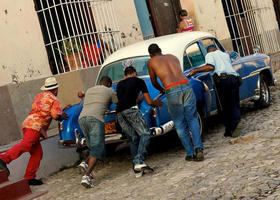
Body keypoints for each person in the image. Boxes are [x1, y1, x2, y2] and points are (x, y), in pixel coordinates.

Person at [0, 77, 68, 185]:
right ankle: (3, 159)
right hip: (35, 127)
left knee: (37, 153)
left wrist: (61, 111)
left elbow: (44, 111)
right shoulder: (54, 99)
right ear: (55, 90)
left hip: (28, 123)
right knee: (26, 145)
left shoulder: (39, 96)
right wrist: (62, 115)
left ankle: (29, 177)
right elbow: (55, 115)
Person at [147, 43, 204, 162]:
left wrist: (162, 90)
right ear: (160, 50)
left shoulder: (151, 61)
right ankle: (199, 148)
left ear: (150, 54)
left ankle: (190, 153)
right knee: (192, 118)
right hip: (186, 85)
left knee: (179, 122)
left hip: (171, 89)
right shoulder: (172, 57)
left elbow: (153, 81)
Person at [116, 66, 163, 177]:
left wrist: (137, 100)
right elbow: (149, 101)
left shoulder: (119, 84)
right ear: (135, 73)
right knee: (145, 133)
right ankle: (139, 161)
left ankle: (137, 170)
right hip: (131, 110)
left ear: (125, 75)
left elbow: (124, 100)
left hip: (119, 114)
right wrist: (155, 103)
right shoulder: (139, 81)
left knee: (134, 138)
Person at [189, 44, 242, 137]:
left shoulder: (209, 55)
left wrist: (195, 71)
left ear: (208, 51)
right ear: (216, 49)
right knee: (234, 103)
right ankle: (235, 124)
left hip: (223, 81)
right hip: (234, 79)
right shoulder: (224, 54)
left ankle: (230, 128)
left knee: (223, 106)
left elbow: (210, 67)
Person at [78, 76, 118, 188]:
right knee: (97, 149)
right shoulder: (109, 90)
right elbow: (116, 101)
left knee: (93, 147)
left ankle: (85, 163)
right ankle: (86, 177)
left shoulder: (90, 90)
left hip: (82, 119)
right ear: (109, 83)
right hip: (95, 119)